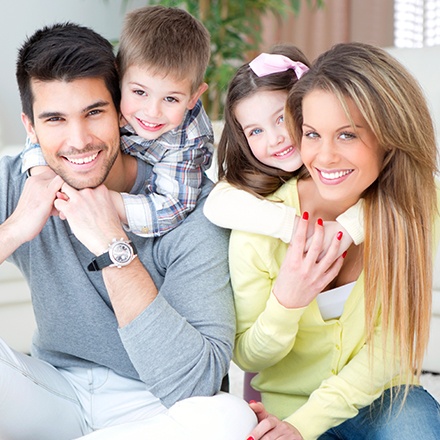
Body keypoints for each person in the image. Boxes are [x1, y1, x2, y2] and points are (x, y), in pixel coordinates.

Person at [0, 22, 256, 440]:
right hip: (50, 390)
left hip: (155, 409)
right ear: (30, 127)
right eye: (55, 119)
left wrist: (114, 246)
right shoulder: (18, 183)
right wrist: (14, 228)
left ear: (119, 106)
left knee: (230, 417)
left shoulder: (193, 208)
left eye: (94, 113)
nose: (78, 140)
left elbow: (196, 384)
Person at [230, 42, 440, 440]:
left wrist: (348, 231)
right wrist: (286, 302)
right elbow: (248, 355)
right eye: (311, 134)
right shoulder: (258, 223)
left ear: (390, 137)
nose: (324, 157)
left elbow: (389, 352)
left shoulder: (417, 207)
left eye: (346, 135)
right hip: (285, 410)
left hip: (382, 400)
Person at [22, 5, 214, 238]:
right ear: (119, 76)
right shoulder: (107, 97)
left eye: (171, 98)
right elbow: (47, 125)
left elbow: (171, 208)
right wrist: (42, 174)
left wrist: (99, 200)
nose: (152, 112)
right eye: (140, 92)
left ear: (193, 97)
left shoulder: (189, 138)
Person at [203, 45, 363, 254]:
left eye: (281, 119)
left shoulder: (341, 158)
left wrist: (348, 228)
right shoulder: (255, 178)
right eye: (256, 131)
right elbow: (216, 205)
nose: (274, 139)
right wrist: (297, 228)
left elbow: (398, 193)